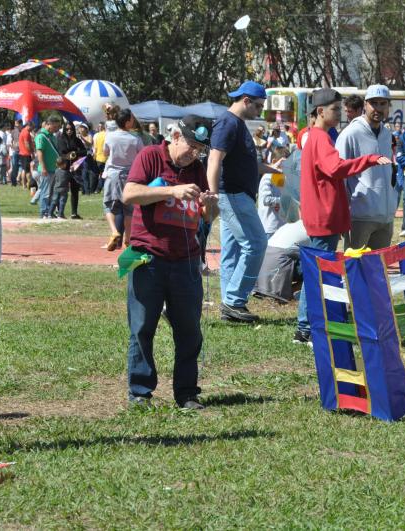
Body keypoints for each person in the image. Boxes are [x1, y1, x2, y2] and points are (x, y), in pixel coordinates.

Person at [121, 115, 216, 410]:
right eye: (191, 146)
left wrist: (211, 207)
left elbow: (206, 217)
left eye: (200, 150)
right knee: (142, 327)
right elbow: (130, 193)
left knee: (189, 330)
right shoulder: (150, 156)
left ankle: (187, 393)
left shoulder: (197, 169)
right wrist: (171, 191)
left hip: (186, 261)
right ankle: (140, 391)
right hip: (148, 257)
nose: (194, 154)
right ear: (175, 137)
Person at [294, 87, 391, 344]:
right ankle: (305, 328)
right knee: (318, 273)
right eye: (335, 109)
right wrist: (368, 159)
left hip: (324, 215)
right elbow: (335, 168)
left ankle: (307, 325)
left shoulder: (317, 136)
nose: (340, 113)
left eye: (340, 109)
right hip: (324, 216)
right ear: (320, 111)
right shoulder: (320, 138)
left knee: (318, 271)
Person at [207, 81, 280, 324]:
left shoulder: (237, 124)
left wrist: (272, 168)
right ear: (246, 100)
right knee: (256, 243)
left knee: (233, 251)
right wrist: (214, 193)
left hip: (237, 195)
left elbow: (247, 164)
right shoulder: (228, 123)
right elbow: (214, 160)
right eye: (258, 105)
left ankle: (231, 306)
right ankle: (235, 301)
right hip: (232, 195)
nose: (260, 110)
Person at [336, 84, 397, 250]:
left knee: (377, 270)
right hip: (360, 215)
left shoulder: (386, 134)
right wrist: (343, 211)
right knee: (355, 268)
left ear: (388, 106)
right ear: (365, 105)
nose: (378, 108)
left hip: (385, 216)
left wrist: (392, 200)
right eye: (373, 103)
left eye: (383, 104)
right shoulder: (350, 133)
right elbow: (339, 173)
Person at [103, 109, 142, 250]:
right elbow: (141, 155)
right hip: (131, 176)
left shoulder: (110, 136)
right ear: (127, 122)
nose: (133, 121)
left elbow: (105, 152)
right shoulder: (135, 139)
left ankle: (114, 231)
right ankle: (128, 239)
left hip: (113, 175)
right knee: (129, 209)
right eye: (131, 119)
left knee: (109, 206)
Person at [55, 121, 87, 219]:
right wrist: (68, 155)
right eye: (67, 129)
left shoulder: (77, 140)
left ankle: (74, 213)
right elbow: (61, 152)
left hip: (74, 168)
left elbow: (84, 151)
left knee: (74, 190)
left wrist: (75, 153)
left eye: (71, 129)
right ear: (64, 129)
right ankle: (59, 212)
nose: (69, 131)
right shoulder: (60, 139)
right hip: (63, 168)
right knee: (61, 190)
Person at [34, 116, 63, 218]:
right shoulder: (41, 136)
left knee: (52, 193)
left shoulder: (52, 136)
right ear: (48, 124)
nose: (56, 129)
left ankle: (49, 211)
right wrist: (43, 168)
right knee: (45, 192)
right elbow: (39, 152)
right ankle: (44, 212)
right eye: (55, 126)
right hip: (46, 169)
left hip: (54, 168)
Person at [257, 146, 288, 239]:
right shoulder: (268, 176)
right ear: (274, 161)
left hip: (282, 227)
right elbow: (266, 200)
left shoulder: (283, 177)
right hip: (269, 227)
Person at [17, 121, 34, 189]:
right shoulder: (26, 133)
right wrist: (31, 152)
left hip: (22, 153)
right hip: (26, 153)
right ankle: (29, 184)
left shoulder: (23, 131)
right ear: (29, 126)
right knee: (27, 170)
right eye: (32, 127)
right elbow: (27, 144)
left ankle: (24, 185)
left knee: (24, 169)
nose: (33, 128)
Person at [92, 122, 107, 193]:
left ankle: (95, 188)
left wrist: (94, 156)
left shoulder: (96, 135)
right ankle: (98, 189)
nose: (99, 127)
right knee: (103, 174)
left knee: (99, 174)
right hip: (105, 158)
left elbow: (94, 147)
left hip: (98, 157)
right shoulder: (107, 134)